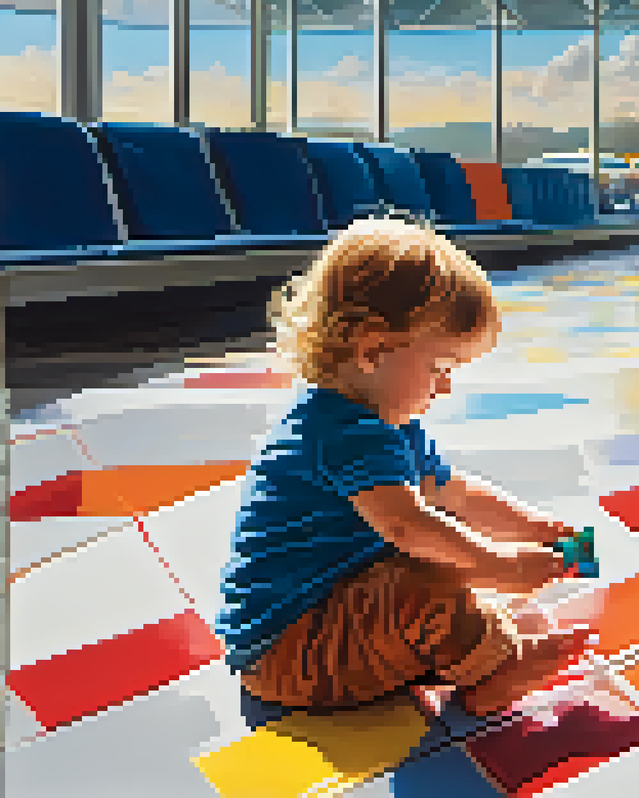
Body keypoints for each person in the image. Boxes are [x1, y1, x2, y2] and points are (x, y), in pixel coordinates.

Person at [216, 217, 591, 718]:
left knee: (441, 555)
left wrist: (536, 528)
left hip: (327, 620)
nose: (446, 387)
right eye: (440, 368)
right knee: (429, 574)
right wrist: (500, 567)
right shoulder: (345, 432)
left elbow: (455, 494)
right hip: (290, 652)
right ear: (372, 351)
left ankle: (464, 645)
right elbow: (406, 526)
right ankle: (494, 673)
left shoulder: (382, 421)